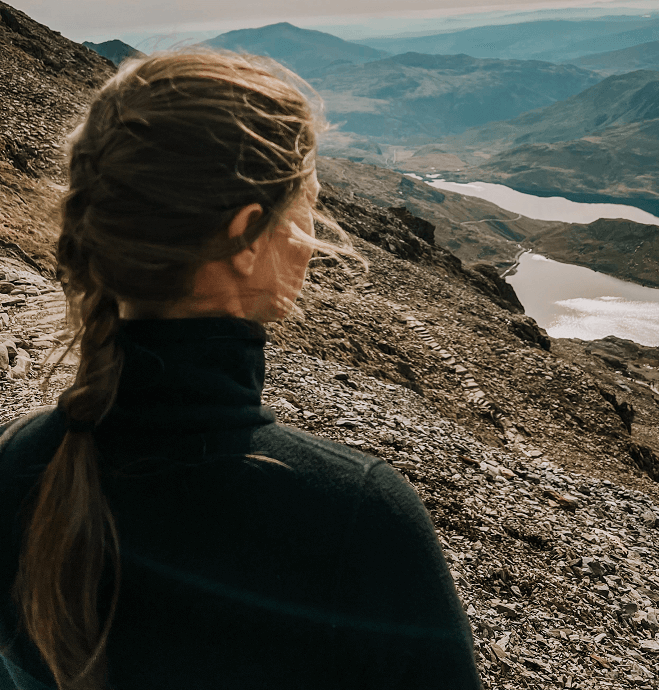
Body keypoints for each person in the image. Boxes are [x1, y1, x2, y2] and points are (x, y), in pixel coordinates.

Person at [0, 51, 483, 690]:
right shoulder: (355, 518)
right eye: (306, 203)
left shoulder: (20, 460)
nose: (313, 235)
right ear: (248, 235)